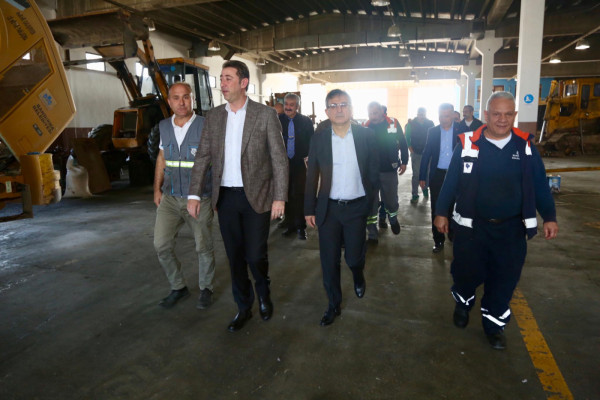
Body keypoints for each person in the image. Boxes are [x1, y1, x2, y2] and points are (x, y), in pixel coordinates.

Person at [434, 91, 558, 349]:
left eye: (508, 114)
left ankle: (493, 326)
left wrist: (549, 216)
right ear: (486, 115)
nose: (502, 119)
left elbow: (539, 185)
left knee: (504, 280)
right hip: (472, 228)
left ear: (514, 115)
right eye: (497, 114)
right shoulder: (467, 144)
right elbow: (451, 182)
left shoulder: (525, 147)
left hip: (511, 230)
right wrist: (441, 212)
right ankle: (463, 302)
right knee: (466, 273)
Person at [187, 60, 288, 332]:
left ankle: (263, 292)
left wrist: (279, 197)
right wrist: (194, 193)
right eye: (221, 78)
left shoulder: (265, 115)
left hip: (257, 197)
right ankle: (244, 307)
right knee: (235, 257)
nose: (222, 83)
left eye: (228, 78)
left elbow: (279, 159)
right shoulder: (214, 117)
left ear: (243, 83)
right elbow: (203, 157)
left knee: (255, 255)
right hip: (226, 199)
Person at [304, 89, 379, 326]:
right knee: (329, 260)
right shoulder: (319, 139)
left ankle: (357, 274)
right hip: (329, 209)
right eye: (334, 106)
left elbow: (373, 173)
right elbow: (311, 176)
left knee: (354, 257)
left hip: (356, 208)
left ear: (351, 109)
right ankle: (333, 304)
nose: (339, 109)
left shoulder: (366, 136)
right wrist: (309, 209)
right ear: (327, 112)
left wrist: (370, 204)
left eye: (344, 104)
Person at [153, 82, 215, 310]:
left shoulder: (206, 126)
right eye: (176, 98)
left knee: (203, 246)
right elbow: (162, 158)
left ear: (192, 99)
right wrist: (157, 189)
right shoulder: (163, 126)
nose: (181, 102)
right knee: (161, 244)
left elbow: (217, 162)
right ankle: (178, 286)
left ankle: (206, 288)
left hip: (199, 198)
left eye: (186, 97)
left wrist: (216, 195)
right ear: (169, 102)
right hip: (170, 197)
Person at [419, 103, 463, 253]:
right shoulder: (433, 131)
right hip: (438, 175)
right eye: (441, 116)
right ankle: (438, 240)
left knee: (455, 207)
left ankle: (453, 234)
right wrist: (422, 175)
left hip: (457, 175)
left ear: (453, 115)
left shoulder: (461, 130)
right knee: (437, 207)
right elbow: (426, 154)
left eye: (447, 116)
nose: (443, 119)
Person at [363, 101, 408, 243]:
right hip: (370, 172)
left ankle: (393, 218)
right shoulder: (365, 126)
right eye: (370, 113)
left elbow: (402, 142)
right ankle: (372, 232)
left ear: (382, 112)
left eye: (375, 113)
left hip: (389, 169)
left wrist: (405, 161)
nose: (372, 116)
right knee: (371, 203)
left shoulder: (393, 123)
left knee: (390, 200)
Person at [279, 93, 314, 240]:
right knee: (285, 193)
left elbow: (312, 142)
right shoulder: (278, 120)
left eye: (291, 105)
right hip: (283, 164)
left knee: (299, 194)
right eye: (286, 104)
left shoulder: (306, 122)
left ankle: (301, 227)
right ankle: (289, 224)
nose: (288, 107)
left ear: (297, 106)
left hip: (300, 164)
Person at [405, 107, 434, 204]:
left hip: (427, 153)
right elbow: (407, 137)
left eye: (423, 114)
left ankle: (425, 188)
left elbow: (434, 136)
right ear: (417, 114)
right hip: (416, 153)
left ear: (426, 114)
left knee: (427, 173)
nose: (421, 116)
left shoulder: (430, 123)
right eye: (420, 114)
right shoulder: (411, 124)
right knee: (416, 174)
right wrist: (411, 149)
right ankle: (415, 194)